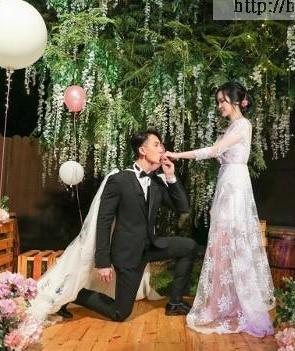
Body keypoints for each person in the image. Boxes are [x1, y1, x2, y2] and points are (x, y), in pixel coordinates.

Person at [28, 129, 196, 323]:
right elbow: (103, 221)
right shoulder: (119, 180)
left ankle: (175, 303)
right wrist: (103, 262)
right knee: (120, 313)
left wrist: (171, 177)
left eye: (161, 145)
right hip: (128, 254)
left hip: (151, 246)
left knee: (189, 247)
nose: (162, 149)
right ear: (142, 150)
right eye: (156, 145)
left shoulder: (156, 182)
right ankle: (76, 293)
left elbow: (183, 207)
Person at [164, 81, 274, 336]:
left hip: (235, 185)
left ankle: (235, 304)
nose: (219, 106)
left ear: (236, 101)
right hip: (226, 183)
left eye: (222, 101)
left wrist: (177, 155)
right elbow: (218, 154)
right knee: (221, 243)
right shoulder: (230, 129)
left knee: (232, 241)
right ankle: (222, 302)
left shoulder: (243, 125)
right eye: (218, 102)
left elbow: (213, 151)